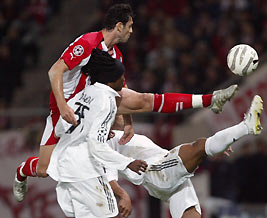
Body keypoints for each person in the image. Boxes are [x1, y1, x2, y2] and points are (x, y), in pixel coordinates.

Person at [13, 3, 238, 203]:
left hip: (90, 104)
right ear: (118, 26)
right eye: (129, 26)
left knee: (143, 99)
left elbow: (121, 89)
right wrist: (62, 106)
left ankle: (210, 99)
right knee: (45, 169)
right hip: (64, 110)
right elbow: (54, 72)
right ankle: (22, 171)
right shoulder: (87, 43)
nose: (132, 30)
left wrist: (128, 122)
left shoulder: (116, 56)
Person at [107, 95, 263, 218]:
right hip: (156, 173)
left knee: (190, 213)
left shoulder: (119, 133)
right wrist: (123, 195)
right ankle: (246, 127)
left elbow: (124, 108)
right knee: (199, 146)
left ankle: (219, 142)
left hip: (162, 172)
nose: (118, 114)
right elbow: (108, 176)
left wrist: (216, 145)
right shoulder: (101, 143)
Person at [47, 49, 148, 218]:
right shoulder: (107, 101)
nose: (124, 80)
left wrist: (88, 130)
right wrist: (127, 163)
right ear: (110, 81)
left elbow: (58, 129)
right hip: (86, 171)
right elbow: (96, 146)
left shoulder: (83, 94)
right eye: (121, 76)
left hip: (65, 169)